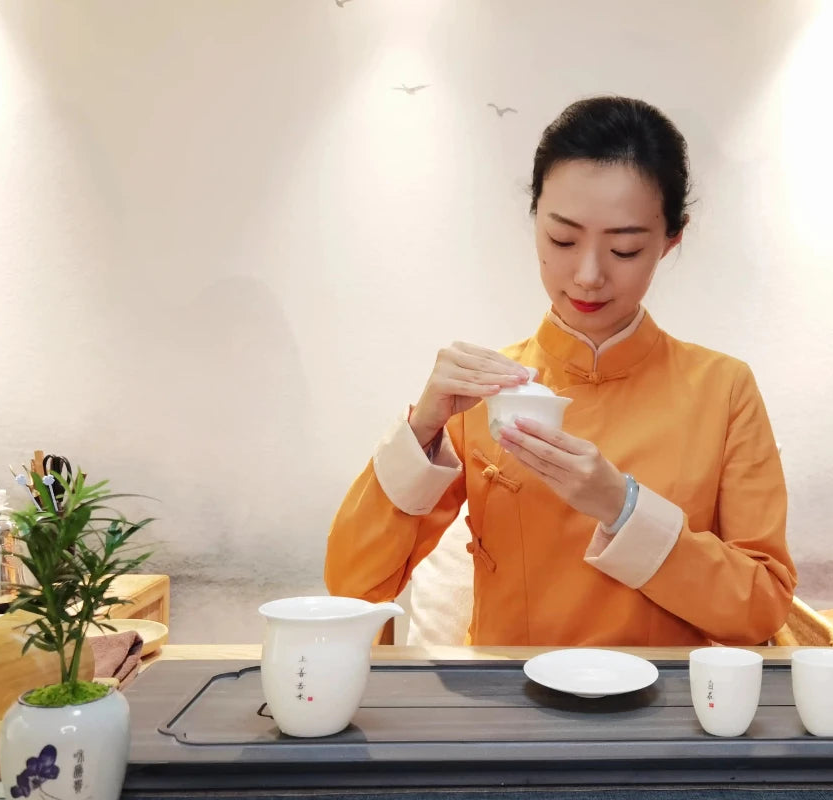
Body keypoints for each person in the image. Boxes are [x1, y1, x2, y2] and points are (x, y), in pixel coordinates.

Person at [325, 96, 796, 646]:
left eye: (624, 249)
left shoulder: (724, 390)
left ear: (671, 240)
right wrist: (422, 430)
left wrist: (622, 508)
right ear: (535, 220)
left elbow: (762, 606)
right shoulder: (488, 392)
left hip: (661, 714)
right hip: (512, 715)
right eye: (563, 240)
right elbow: (356, 587)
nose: (589, 275)